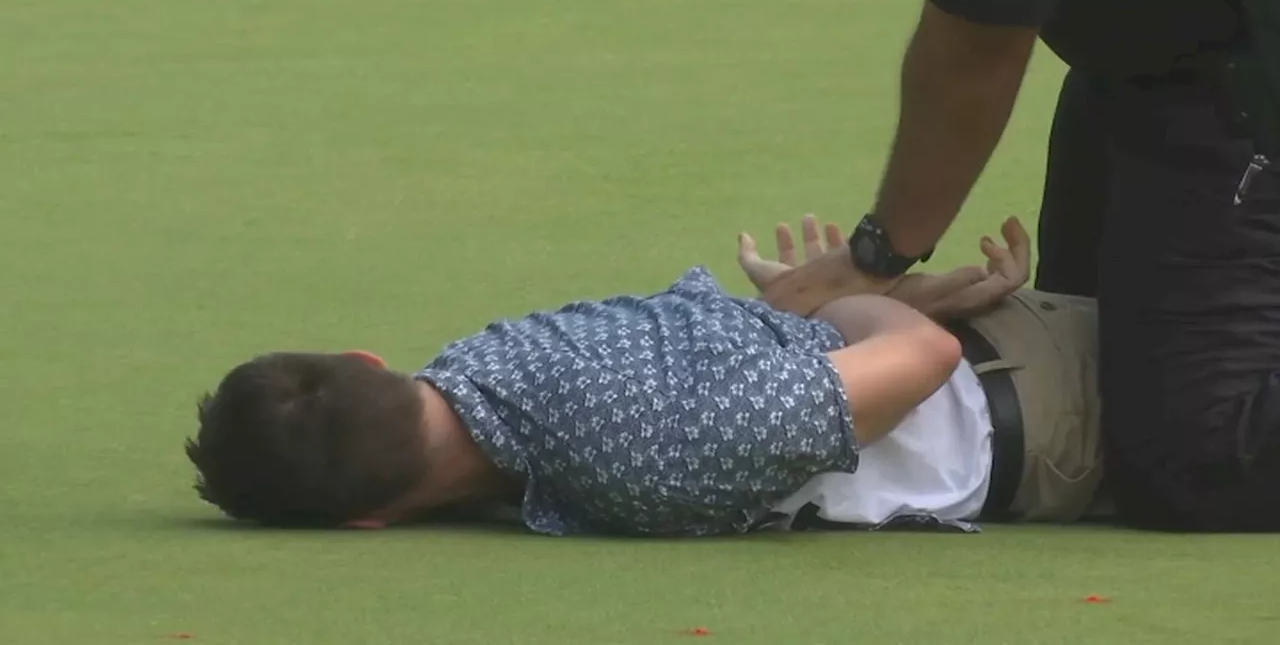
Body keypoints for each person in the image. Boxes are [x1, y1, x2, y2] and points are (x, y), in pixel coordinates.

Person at [760, 0, 1280, 532]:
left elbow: (976, 53)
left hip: (1238, 60)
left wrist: (875, 259)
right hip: (1156, 52)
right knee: (1087, 365)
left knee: (1207, 456)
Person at [184, 216, 1104, 535]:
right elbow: (909, 353)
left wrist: (845, 291)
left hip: (1064, 400)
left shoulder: (637, 457)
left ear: (367, 521)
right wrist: (846, 296)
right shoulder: (488, 365)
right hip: (1029, 381)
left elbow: (919, 356)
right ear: (366, 361)